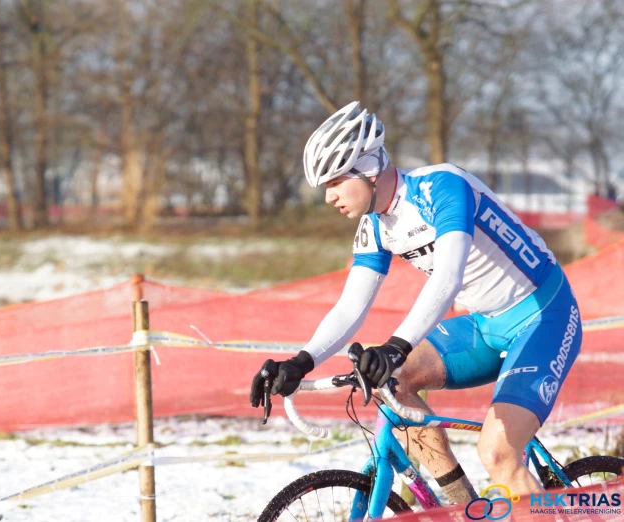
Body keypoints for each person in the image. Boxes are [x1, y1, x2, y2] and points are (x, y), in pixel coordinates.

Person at [249, 102, 582, 504]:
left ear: (368, 169)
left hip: (544, 315)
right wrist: (300, 362)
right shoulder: (375, 225)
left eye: (334, 182)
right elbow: (350, 307)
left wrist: (395, 345)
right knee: (395, 382)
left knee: (498, 453)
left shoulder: (442, 187)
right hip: (485, 323)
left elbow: (448, 277)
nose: (328, 197)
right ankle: (463, 507)